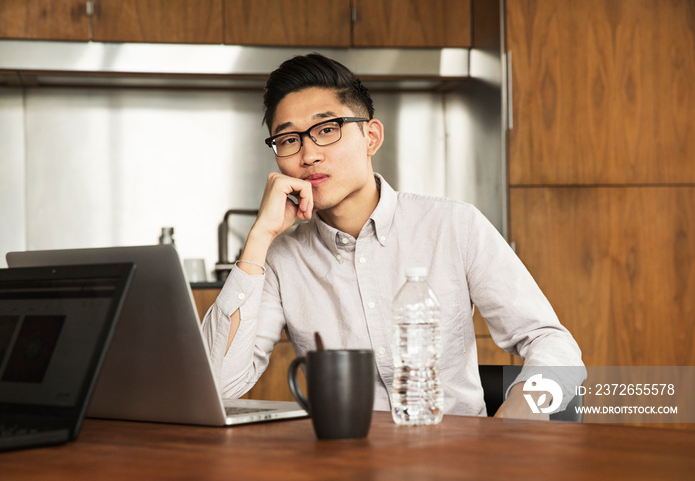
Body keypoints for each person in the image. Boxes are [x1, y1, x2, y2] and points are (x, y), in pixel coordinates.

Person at [201, 53, 586, 419]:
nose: (308, 154)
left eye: (326, 129)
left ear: (371, 137)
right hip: (341, 460)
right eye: (288, 139)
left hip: (456, 458)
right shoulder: (281, 257)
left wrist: (511, 425)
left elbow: (552, 343)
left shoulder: (454, 225)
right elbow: (219, 385)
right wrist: (259, 238)